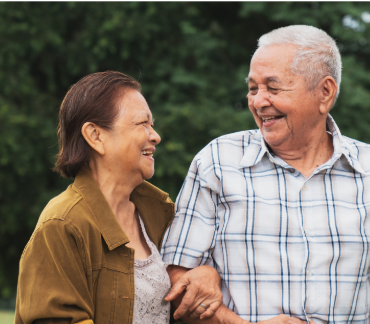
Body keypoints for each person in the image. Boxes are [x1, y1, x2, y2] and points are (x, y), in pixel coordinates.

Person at [162, 25, 370, 324]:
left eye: (273, 87)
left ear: (324, 92)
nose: (258, 101)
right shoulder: (217, 161)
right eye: (253, 88)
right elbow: (179, 278)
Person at [14, 71, 222, 324]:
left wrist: (207, 274)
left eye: (152, 125)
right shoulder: (62, 224)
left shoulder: (162, 214)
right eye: (142, 124)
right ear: (96, 136)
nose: (155, 136)